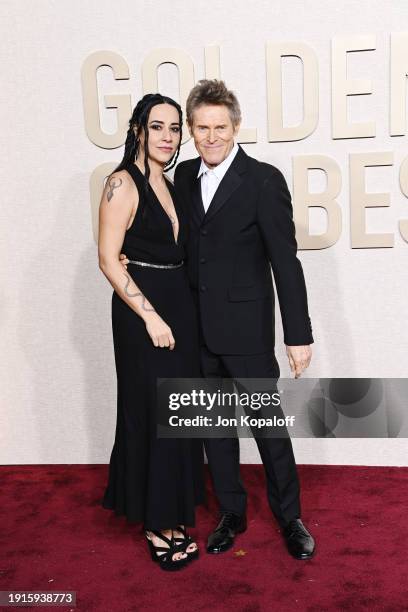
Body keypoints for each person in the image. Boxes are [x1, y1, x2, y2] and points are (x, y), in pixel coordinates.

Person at [120, 80, 316, 560]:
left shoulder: (264, 180)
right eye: (201, 127)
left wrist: (298, 335)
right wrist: (129, 258)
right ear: (191, 129)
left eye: (219, 127)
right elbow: (161, 232)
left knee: (268, 426)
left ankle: (290, 518)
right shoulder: (182, 177)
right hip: (194, 331)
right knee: (214, 428)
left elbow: (285, 262)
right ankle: (232, 511)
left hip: (247, 331)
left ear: (236, 127)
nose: (211, 136)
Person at [98, 93, 205, 571]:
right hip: (143, 314)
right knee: (150, 409)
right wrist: (150, 316)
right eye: (157, 126)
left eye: (174, 128)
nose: (167, 137)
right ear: (138, 129)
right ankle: (156, 521)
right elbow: (107, 258)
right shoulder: (121, 182)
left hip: (179, 304)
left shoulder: (174, 181)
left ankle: (176, 510)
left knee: (178, 411)